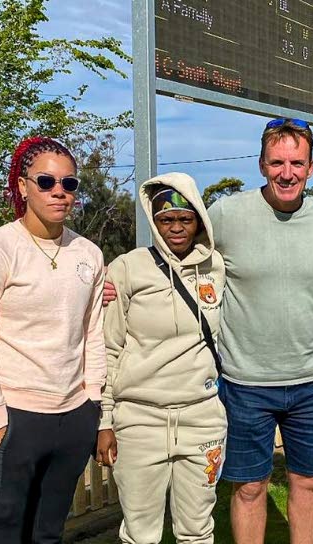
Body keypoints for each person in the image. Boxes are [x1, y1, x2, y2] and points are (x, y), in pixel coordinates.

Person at [103, 118, 313, 543]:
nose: (287, 173)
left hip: (312, 382)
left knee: (311, 484)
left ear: (312, 167)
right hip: (244, 384)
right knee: (250, 488)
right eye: (277, 162)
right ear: (261, 164)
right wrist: (115, 280)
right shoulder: (226, 214)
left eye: (297, 163)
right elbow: (178, 246)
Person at [0, 136, 106, 543]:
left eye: (69, 183)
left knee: (48, 534)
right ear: (23, 187)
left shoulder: (88, 254)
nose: (59, 191)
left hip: (73, 417)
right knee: (1, 536)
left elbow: (92, 332)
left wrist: (92, 402)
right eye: (46, 181)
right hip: (13, 419)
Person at [96, 173, 227, 544]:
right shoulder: (128, 268)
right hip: (139, 421)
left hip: (202, 418)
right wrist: (105, 420)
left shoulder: (216, 267)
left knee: (197, 530)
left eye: (185, 219)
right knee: (140, 534)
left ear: (199, 219)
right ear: (153, 221)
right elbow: (110, 347)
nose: (175, 228)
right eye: (165, 219)